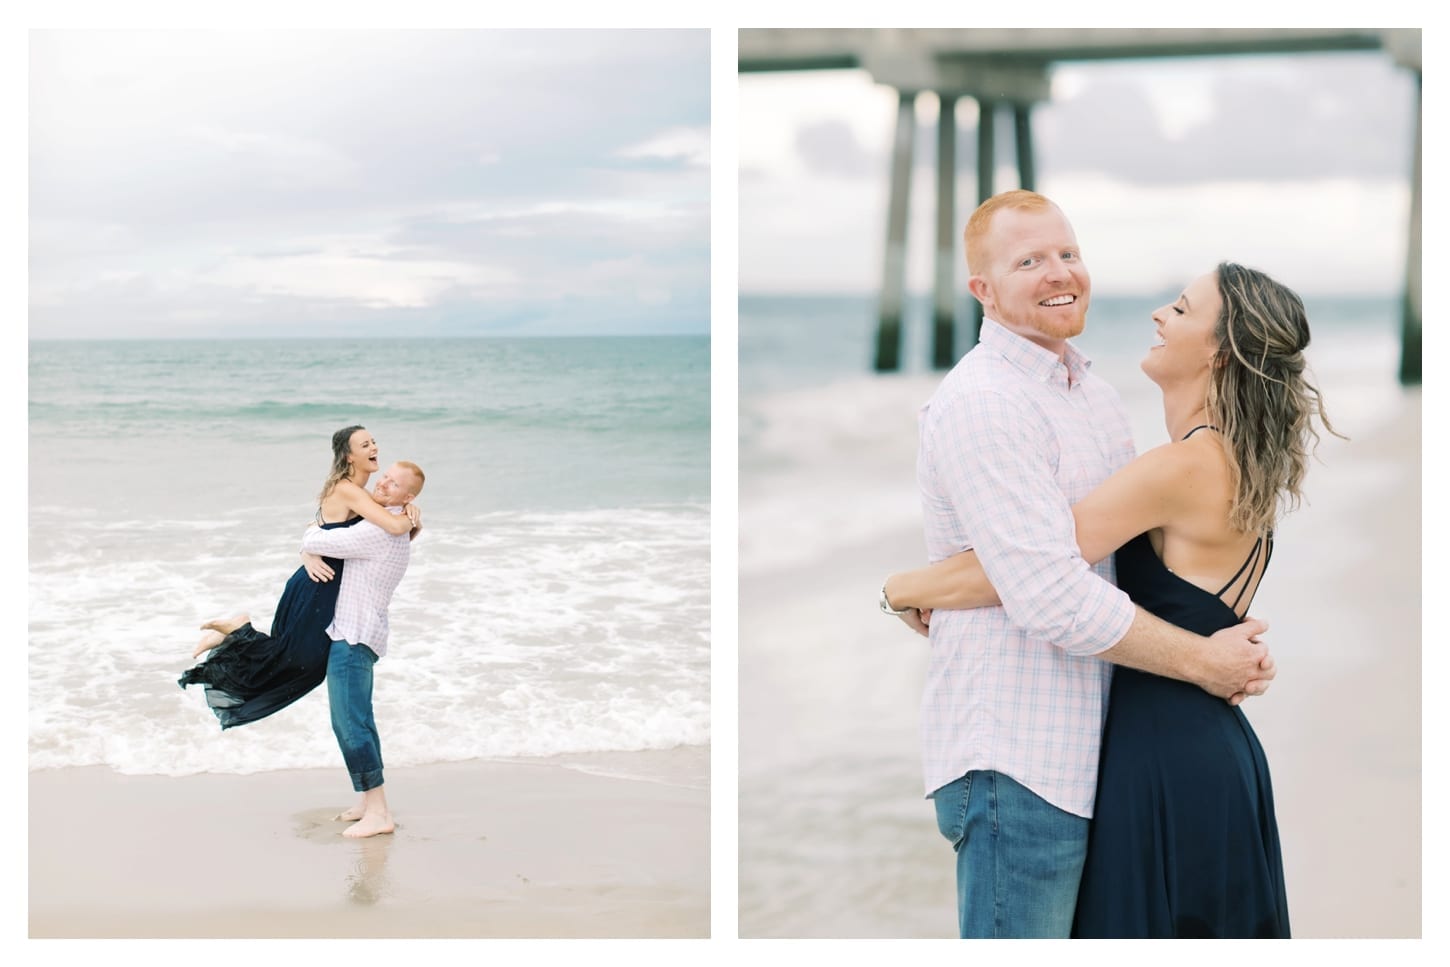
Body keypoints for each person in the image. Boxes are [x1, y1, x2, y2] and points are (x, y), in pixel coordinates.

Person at [887, 251, 1337, 937]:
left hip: (1164, 758)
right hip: (1206, 751)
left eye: (1182, 309)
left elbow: (1026, 566)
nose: (1160, 314)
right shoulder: (1235, 461)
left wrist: (906, 586)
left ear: (1220, 355)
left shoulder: (1182, 466)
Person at [179, 425, 420, 728]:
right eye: (364, 445)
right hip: (317, 584)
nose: (374, 448)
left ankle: (235, 633)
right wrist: (407, 517)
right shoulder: (348, 490)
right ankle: (239, 629)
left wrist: (409, 508)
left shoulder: (361, 495)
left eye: (374, 441)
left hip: (323, 581)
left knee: (296, 659)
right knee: (300, 663)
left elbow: (330, 527)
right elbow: (393, 527)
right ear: (348, 456)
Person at [299, 460, 426, 839]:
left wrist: (308, 549)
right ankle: (367, 803)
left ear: (409, 497)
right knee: (359, 720)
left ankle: (379, 812)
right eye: (384, 476)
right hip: (360, 633)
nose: (384, 483)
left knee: (350, 722)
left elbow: (315, 538)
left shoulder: (378, 532)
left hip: (353, 637)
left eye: (394, 484)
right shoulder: (388, 526)